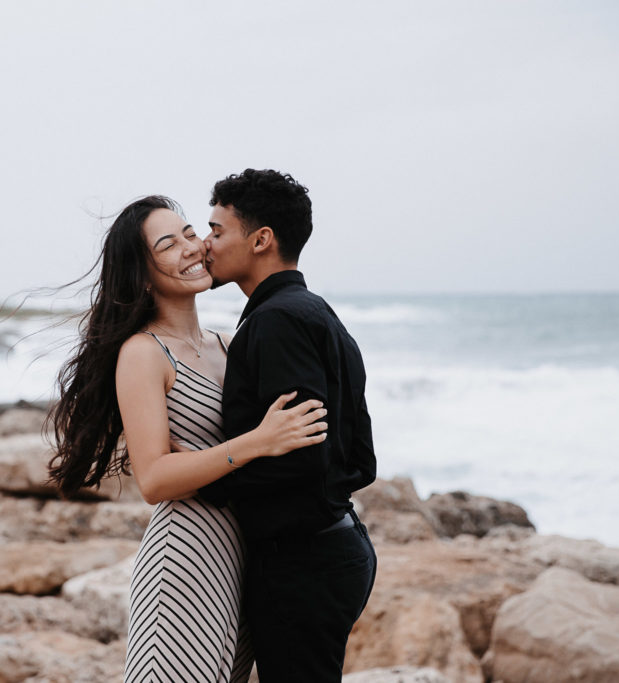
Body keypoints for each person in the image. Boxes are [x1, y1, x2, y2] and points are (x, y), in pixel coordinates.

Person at [46, 195, 329, 682]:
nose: (192, 248)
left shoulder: (227, 344)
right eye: (168, 243)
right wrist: (256, 443)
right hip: (186, 556)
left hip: (244, 556)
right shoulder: (143, 354)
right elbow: (154, 479)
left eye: (191, 233)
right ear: (140, 271)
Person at [200, 169, 378, 681]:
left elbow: (303, 454)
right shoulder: (314, 312)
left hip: (305, 564)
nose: (206, 246)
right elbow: (360, 459)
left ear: (261, 240)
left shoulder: (276, 321)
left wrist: (206, 476)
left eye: (216, 231)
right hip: (333, 546)